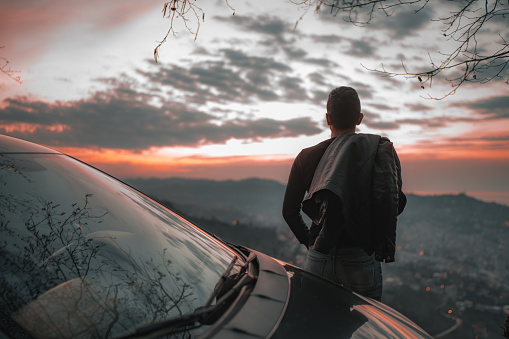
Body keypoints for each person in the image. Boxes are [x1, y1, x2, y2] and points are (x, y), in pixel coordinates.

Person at [282, 86, 406, 301]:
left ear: (328, 118)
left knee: (313, 323)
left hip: (319, 255)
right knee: (364, 329)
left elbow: (289, 211)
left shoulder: (306, 156)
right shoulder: (377, 151)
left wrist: (311, 243)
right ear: (359, 118)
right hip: (360, 257)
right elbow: (394, 204)